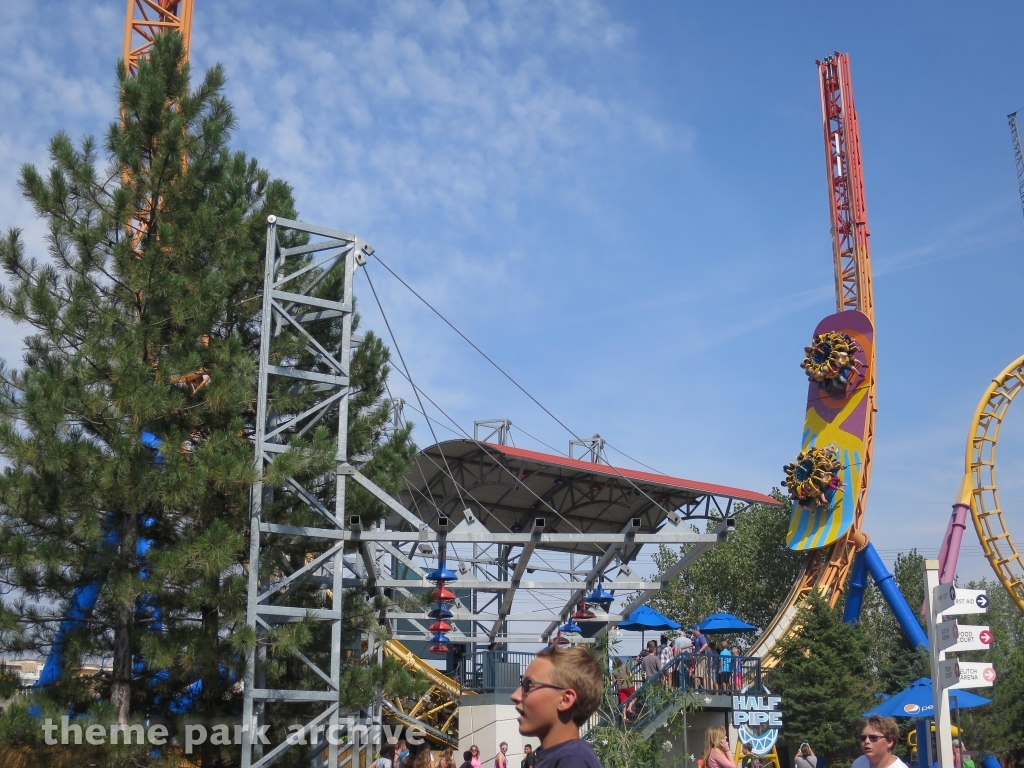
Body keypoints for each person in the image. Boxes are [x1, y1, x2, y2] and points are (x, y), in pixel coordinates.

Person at [510, 643, 604, 768]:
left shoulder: (571, 759)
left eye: (528, 685)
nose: (515, 696)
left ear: (565, 700)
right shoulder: (554, 756)